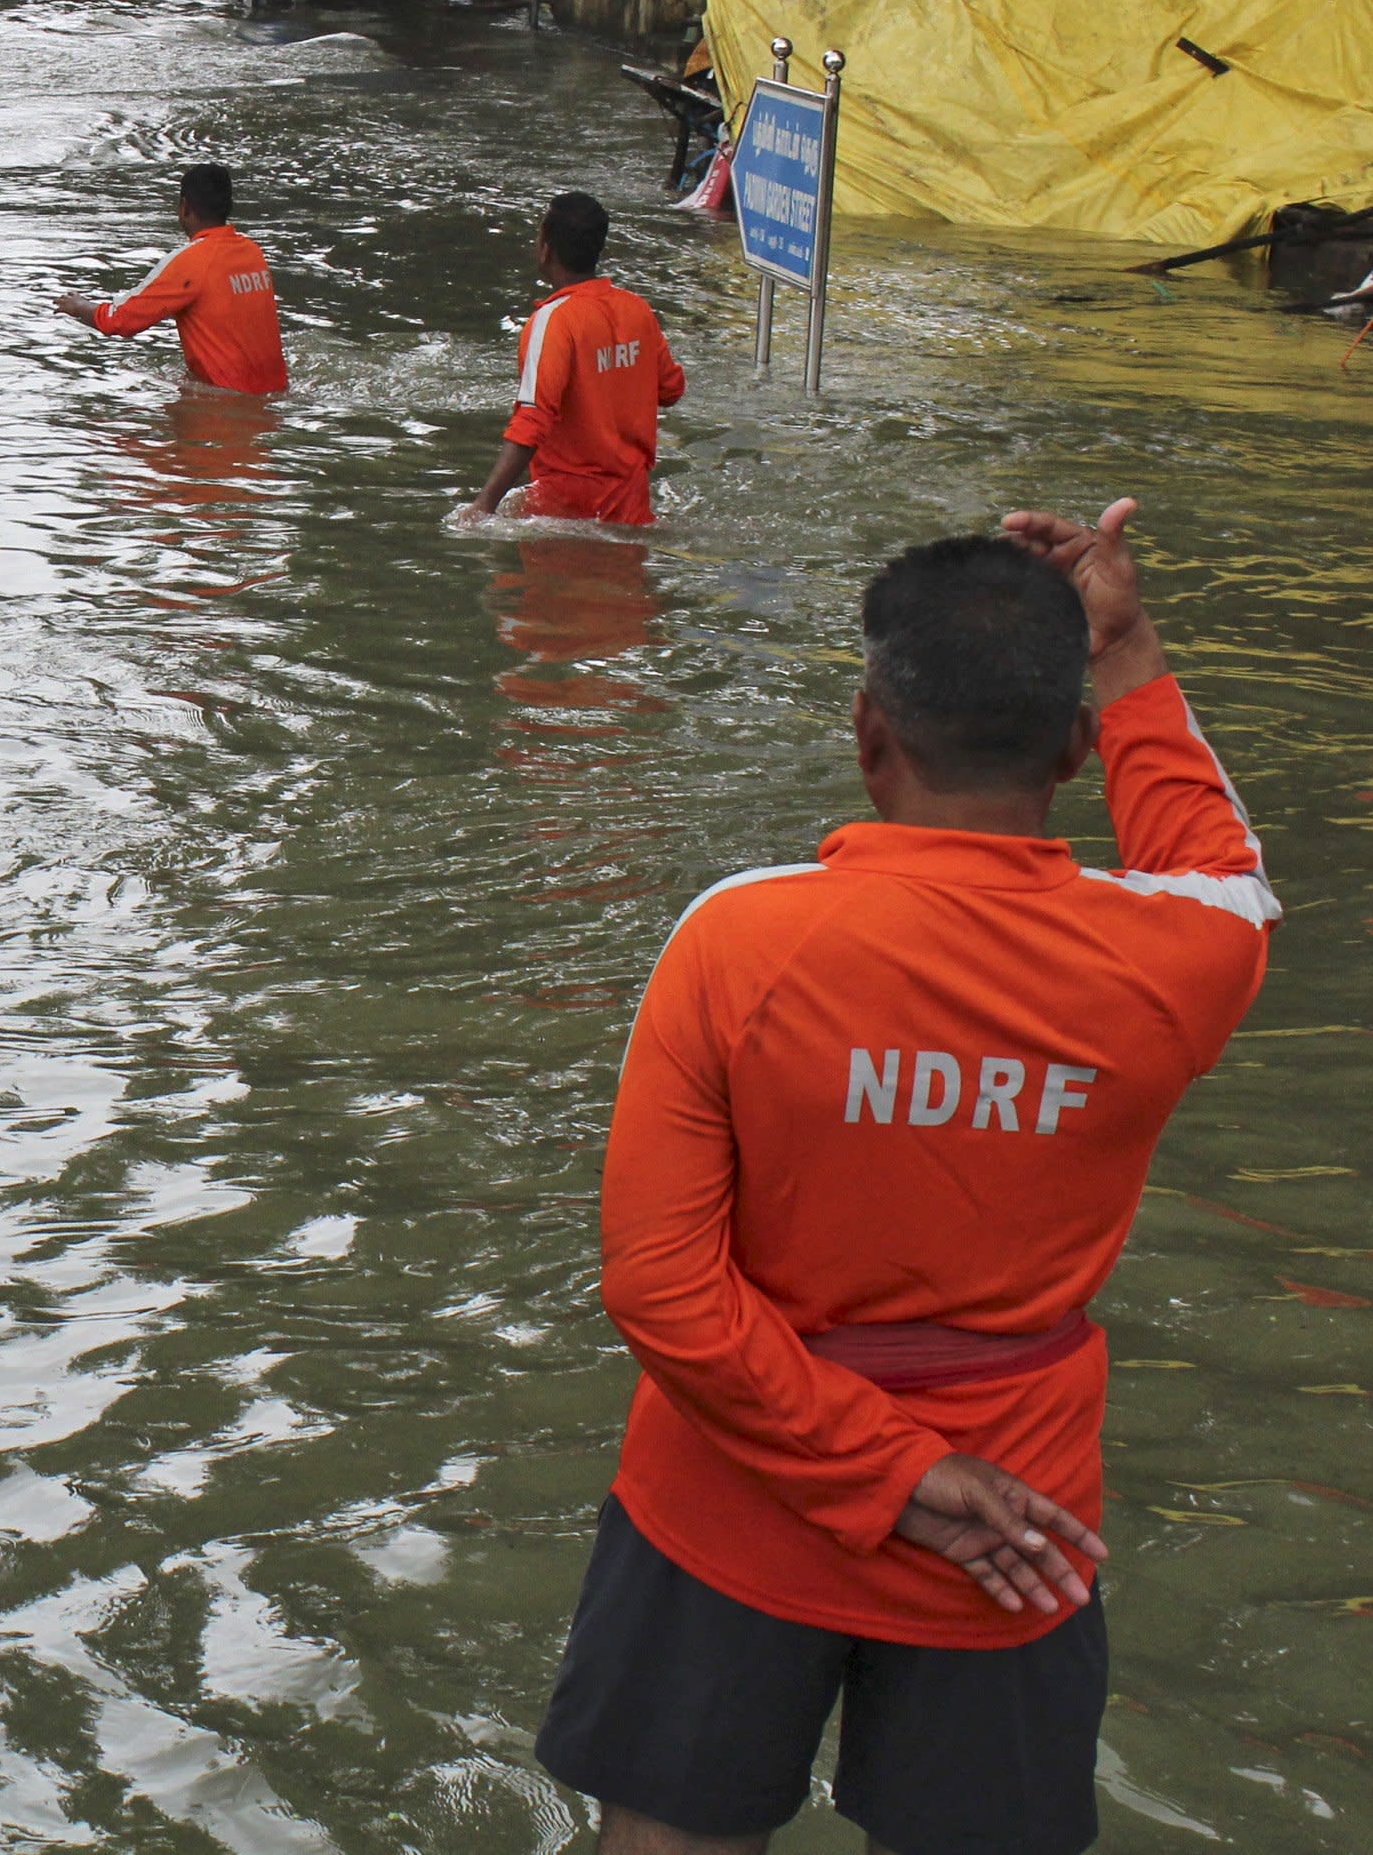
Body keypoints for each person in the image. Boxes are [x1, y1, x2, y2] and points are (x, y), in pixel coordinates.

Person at [535, 502, 1276, 1855]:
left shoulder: (740, 942)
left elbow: (660, 1287)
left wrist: (885, 1472)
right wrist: (1127, 649)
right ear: (1072, 748)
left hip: (731, 1504)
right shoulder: (1182, 965)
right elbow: (1217, 862)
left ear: (870, 731)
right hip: (1021, 1520)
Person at [465, 191, 683, 527]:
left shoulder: (552, 321)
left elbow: (532, 420)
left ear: (546, 249)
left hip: (564, 512)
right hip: (631, 507)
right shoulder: (637, 310)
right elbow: (671, 389)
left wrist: (483, 505)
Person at [52, 164, 289, 397]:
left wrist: (80, 306)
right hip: (274, 398)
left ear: (185, 207)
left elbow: (121, 320)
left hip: (223, 408)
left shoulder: (190, 262)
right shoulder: (253, 253)